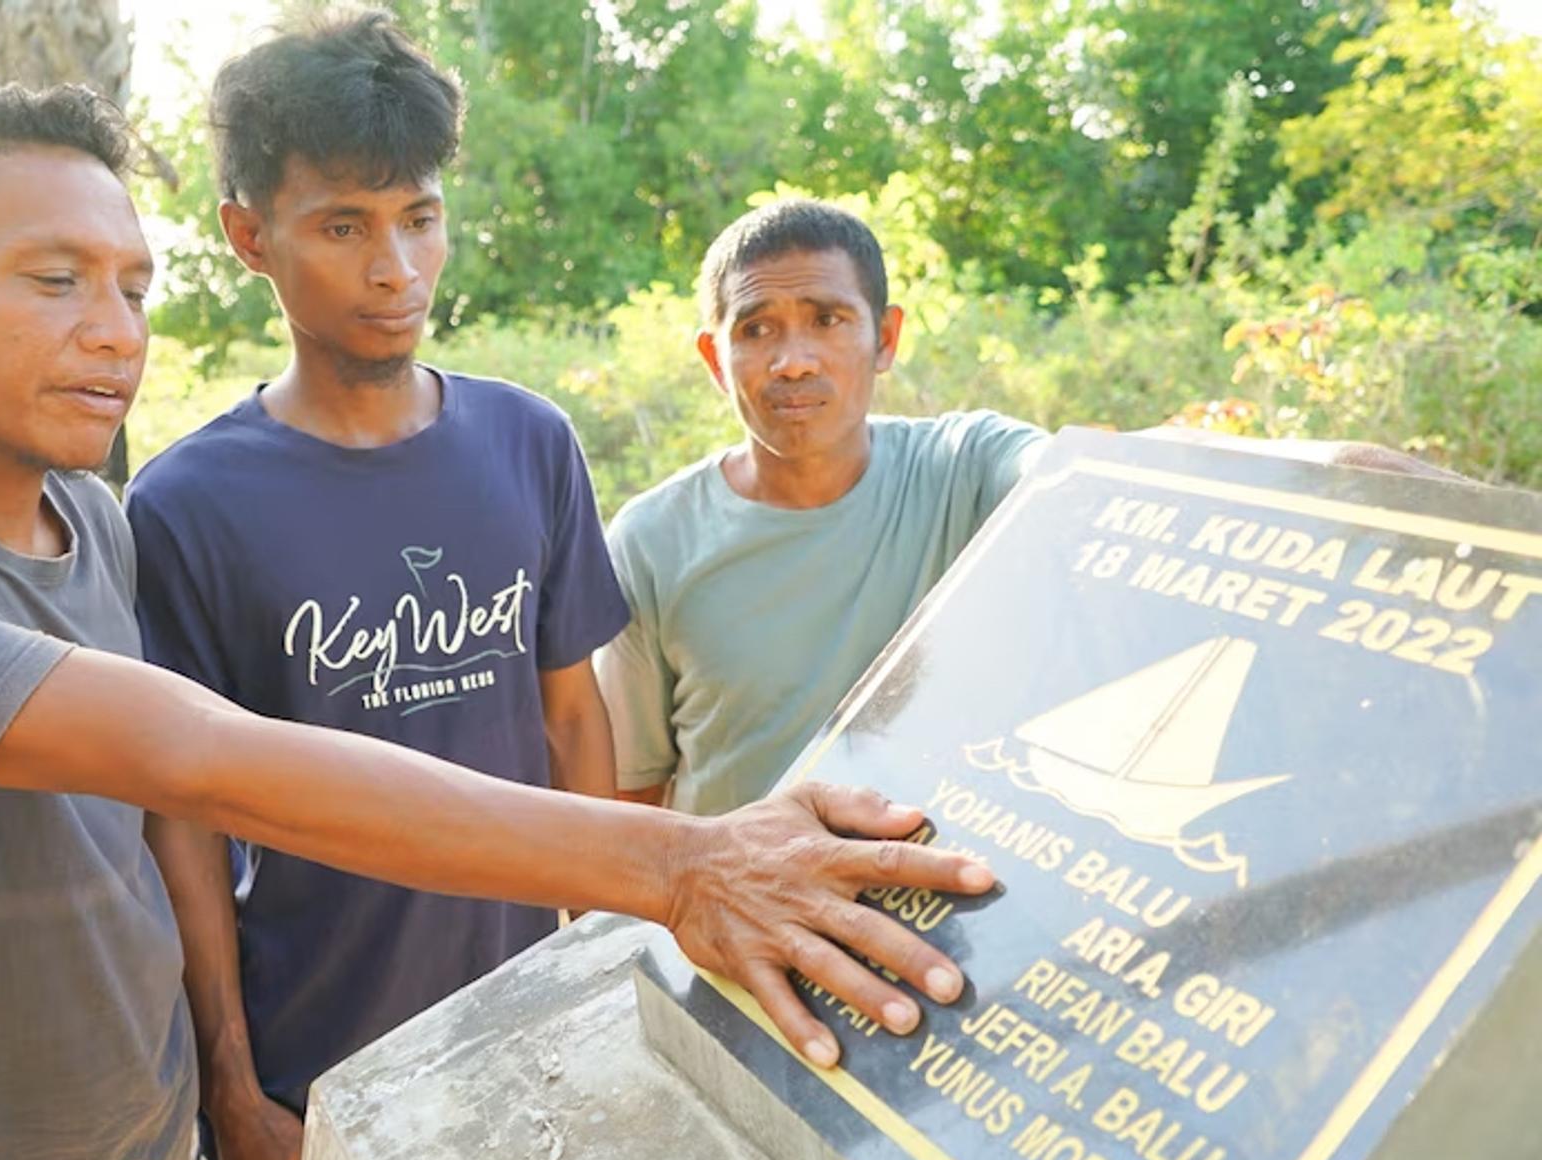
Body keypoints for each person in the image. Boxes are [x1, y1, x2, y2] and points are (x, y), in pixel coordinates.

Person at [0, 85, 991, 1160]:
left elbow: (74, 836)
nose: (113, 333)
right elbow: (199, 764)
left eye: (133, 289)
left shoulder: (83, 521)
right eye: (55, 280)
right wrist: (684, 865)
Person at [123, 13, 625, 1160]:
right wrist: (233, 1095)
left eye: (421, 216)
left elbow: (573, 722)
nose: (397, 265)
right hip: (317, 1079)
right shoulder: (187, 506)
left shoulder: (528, 443)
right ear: (249, 235)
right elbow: (176, 817)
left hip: (527, 1052)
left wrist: (608, 976)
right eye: (344, 225)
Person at [597, 199, 1454, 816]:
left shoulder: (963, 464)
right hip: (748, 924)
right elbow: (634, 793)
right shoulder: (650, 540)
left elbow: (1111, 474)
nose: (792, 359)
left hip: (937, 896)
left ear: (885, 337)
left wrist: (1350, 467)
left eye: (827, 319)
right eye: (757, 329)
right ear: (716, 356)